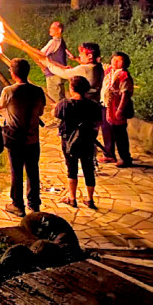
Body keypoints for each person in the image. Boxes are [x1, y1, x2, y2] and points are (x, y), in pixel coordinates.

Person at [0, 58, 47, 217]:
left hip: (15, 139)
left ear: (12, 73)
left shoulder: (8, 91)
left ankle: (18, 204)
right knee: (33, 171)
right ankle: (34, 204)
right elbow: (40, 113)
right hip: (33, 139)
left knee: (16, 172)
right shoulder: (38, 91)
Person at [53, 76, 102, 209]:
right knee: (88, 168)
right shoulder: (93, 105)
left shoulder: (64, 104)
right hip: (87, 140)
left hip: (68, 140)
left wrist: (56, 107)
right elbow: (98, 121)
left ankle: (72, 198)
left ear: (72, 88)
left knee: (71, 168)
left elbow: (56, 114)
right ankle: (90, 199)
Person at [100, 51, 135, 167]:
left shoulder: (123, 76)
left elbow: (125, 94)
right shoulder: (110, 71)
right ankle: (109, 154)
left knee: (120, 133)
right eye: (113, 59)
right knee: (107, 129)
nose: (114, 62)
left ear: (124, 63)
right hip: (107, 104)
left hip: (117, 106)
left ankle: (125, 157)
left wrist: (120, 109)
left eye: (118, 60)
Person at [39, 42, 103, 103]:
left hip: (83, 103)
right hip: (94, 103)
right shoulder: (98, 67)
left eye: (81, 53)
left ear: (89, 56)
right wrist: (74, 67)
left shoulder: (84, 69)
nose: (79, 55)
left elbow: (63, 73)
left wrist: (48, 64)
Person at [40, 22, 74, 102]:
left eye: (52, 28)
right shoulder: (61, 41)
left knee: (57, 102)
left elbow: (41, 54)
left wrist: (26, 46)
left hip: (53, 74)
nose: (50, 29)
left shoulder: (53, 42)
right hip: (60, 74)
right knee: (61, 98)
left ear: (59, 30)